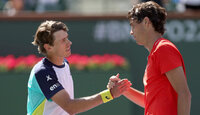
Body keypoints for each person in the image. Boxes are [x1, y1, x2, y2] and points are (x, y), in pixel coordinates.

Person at [27, 20, 132, 115]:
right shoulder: (42, 72)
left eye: (67, 38)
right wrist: (109, 94)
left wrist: (110, 90)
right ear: (48, 47)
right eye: (63, 40)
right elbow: (70, 107)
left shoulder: (64, 63)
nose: (69, 43)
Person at [108, 1, 191, 115]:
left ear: (146, 22)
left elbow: (184, 94)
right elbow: (149, 102)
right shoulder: (156, 52)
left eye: (133, 25)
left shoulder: (163, 49)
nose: (131, 32)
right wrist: (123, 89)